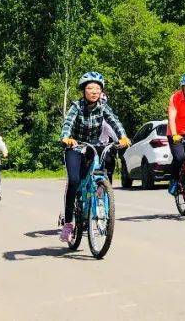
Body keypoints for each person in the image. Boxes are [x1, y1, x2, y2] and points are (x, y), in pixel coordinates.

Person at [59, 72, 129, 242]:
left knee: (98, 175)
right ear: (83, 90)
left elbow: (115, 121)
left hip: (94, 147)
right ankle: (68, 223)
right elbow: (68, 123)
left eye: (97, 88)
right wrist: (66, 138)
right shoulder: (76, 106)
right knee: (75, 181)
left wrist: (123, 137)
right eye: (90, 88)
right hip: (75, 146)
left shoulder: (104, 107)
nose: (94, 91)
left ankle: (96, 204)